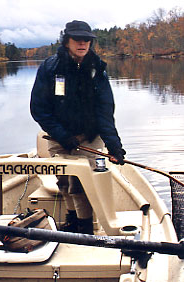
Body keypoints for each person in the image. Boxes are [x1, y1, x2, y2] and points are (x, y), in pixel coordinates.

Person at [30, 20, 126, 234]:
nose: (82, 44)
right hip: (58, 138)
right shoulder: (50, 68)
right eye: (77, 39)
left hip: (90, 138)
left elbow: (105, 112)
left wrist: (114, 146)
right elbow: (39, 109)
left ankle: (85, 228)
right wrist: (62, 136)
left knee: (81, 185)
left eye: (87, 40)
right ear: (67, 41)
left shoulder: (97, 69)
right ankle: (72, 220)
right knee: (64, 182)